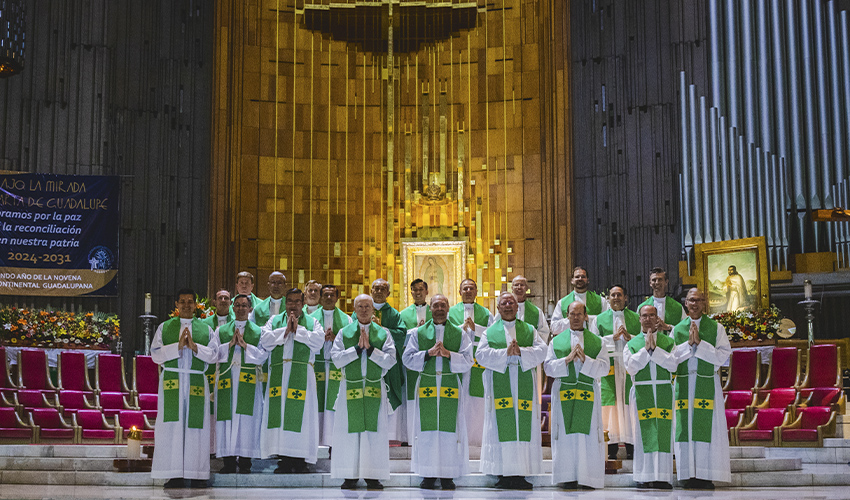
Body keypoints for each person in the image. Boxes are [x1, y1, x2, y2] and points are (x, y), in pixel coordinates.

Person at [402, 294, 473, 490]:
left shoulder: (460, 334)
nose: (439, 309)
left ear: (448, 308)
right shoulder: (418, 333)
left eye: (443, 305)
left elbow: (469, 361)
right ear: (430, 309)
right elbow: (407, 359)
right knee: (428, 432)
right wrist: (428, 353)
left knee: (450, 432)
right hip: (428, 385)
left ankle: (448, 474)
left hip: (450, 385)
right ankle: (428, 474)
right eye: (436, 305)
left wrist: (449, 354)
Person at [476, 292, 547, 490]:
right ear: (498, 309)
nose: (508, 306)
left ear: (517, 307)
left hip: (523, 381)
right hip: (500, 381)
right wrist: (504, 353)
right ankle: (502, 473)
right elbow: (480, 355)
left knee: (523, 426)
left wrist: (521, 352)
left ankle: (521, 473)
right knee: (500, 426)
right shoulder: (489, 332)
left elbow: (543, 350)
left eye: (511, 302)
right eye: (504, 303)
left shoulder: (529, 329)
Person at [150, 289, 220, 488]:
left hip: (196, 381)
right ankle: (174, 475)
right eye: (183, 302)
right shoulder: (165, 327)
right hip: (172, 380)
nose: (186, 305)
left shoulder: (206, 329)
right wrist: (178, 347)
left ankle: (196, 473)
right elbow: (155, 354)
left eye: (190, 302)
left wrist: (195, 347)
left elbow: (214, 355)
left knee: (196, 428)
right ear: (176, 304)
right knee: (171, 428)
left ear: (196, 305)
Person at [330, 294, 398, 490]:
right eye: (360, 306)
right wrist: (357, 350)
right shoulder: (344, 332)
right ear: (355, 308)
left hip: (374, 388)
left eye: (368, 306)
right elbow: (336, 359)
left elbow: (391, 360)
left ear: (373, 309)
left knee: (373, 433)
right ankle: (348, 475)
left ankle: (373, 476)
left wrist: (370, 351)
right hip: (349, 387)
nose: (364, 309)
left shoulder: (383, 333)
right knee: (348, 432)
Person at [543, 301, 609, 490]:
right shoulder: (556, 341)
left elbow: (605, 368)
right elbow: (547, 367)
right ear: (567, 316)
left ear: (586, 315)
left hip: (588, 392)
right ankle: (567, 476)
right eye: (572, 314)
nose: (576, 317)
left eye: (579, 314)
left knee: (586, 435)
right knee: (565, 435)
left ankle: (588, 478)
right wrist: (567, 359)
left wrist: (585, 360)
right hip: (564, 393)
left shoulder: (598, 342)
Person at [671, 288, 732, 489]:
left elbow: (724, 356)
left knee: (709, 429)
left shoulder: (716, 328)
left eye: (698, 300)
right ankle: (688, 474)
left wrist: (701, 344)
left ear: (704, 303)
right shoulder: (677, 329)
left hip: (707, 382)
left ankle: (706, 475)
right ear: (685, 303)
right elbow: (670, 361)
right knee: (684, 430)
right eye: (691, 300)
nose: (695, 304)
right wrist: (689, 345)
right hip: (684, 383)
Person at [259, 288, 324, 473]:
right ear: (285, 302)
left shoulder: (312, 322)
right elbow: (265, 340)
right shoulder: (274, 320)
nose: (293, 305)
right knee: (279, 417)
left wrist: (299, 331)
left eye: (297, 301)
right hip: (279, 375)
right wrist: (285, 330)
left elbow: (318, 341)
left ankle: (301, 460)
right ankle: (284, 459)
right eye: (290, 301)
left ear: (303, 303)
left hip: (302, 374)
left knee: (303, 417)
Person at [623, 304, 678, 490]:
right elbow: (630, 367)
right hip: (642, 392)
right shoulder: (631, 343)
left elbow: (674, 365)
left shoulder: (668, 342)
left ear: (657, 318)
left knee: (663, 434)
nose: (648, 319)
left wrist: (656, 350)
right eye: (644, 316)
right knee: (642, 434)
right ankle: (644, 476)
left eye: (652, 315)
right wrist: (646, 351)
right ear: (639, 319)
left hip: (663, 390)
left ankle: (662, 477)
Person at [214, 294, 265, 474]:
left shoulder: (259, 331)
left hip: (249, 380)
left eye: (245, 305)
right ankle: (227, 462)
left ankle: (245, 462)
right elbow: (213, 354)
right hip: (227, 379)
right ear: (232, 308)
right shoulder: (221, 331)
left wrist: (245, 346)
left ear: (250, 309)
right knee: (226, 419)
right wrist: (228, 345)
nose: (241, 308)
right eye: (237, 305)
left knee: (247, 420)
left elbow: (264, 355)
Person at [356, 279, 407, 443]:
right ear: (370, 291)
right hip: (363, 363)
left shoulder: (394, 314)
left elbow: (401, 334)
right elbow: (350, 331)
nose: (378, 291)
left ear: (388, 293)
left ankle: (390, 437)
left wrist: (381, 328)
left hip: (385, 365)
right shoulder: (359, 309)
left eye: (382, 289)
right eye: (375, 288)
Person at [594, 285, 639, 460]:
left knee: (629, 407)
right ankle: (610, 446)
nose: (616, 298)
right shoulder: (598, 319)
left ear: (626, 298)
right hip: (610, 367)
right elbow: (593, 340)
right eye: (613, 295)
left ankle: (631, 446)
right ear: (608, 298)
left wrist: (631, 338)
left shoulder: (635, 318)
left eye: (619, 295)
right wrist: (611, 338)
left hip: (628, 366)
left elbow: (644, 338)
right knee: (610, 407)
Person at [448, 278, 494, 447]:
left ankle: (477, 439)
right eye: (464, 288)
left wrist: (477, 329)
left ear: (476, 291)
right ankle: (458, 438)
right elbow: (446, 332)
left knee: (476, 402)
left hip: (477, 360)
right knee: (459, 398)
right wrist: (462, 327)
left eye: (471, 288)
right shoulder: (449, 311)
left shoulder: (486, 313)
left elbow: (494, 334)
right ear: (459, 292)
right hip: (457, 357)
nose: (468, 291)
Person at [310, 284, 352, 448]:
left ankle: (334, 445)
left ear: (337, 297)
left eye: (331, 295)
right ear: (320, 297)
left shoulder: (347, 319)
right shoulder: (312, 319)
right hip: (317, 367)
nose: (328, 298)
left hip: (336, 367)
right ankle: (316, 442)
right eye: (325, 295)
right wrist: (321, 340)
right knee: (317, 404)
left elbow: (351, 343)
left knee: (333, 406)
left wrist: (336, 339)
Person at [399, 278, 432, 442]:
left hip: (432, 362)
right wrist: (417, 330)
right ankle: (411, 437)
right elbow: (399, 337)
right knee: (411, 399)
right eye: (415, 290)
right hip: (412, 363)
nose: (418, 293)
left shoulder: (436, 311)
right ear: (410, 292)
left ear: (427, 291)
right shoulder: (403, 314)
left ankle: (429, 435)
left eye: (421, 289)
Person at [202, 289, 233, 452]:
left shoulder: (238, 322)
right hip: (209, 371)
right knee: (210, 410)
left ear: (231, 302)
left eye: (226, 298)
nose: (223, 300)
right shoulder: (204, 324)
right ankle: (212, 448)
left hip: (229, 372)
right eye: (219, 297)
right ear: (214, 301)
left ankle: (228, 447)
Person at [551, 266, 609, 334]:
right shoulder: (562, 303)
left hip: (593, 342)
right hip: (570, 341)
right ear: (572, 281)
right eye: (577, 277)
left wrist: (589, 318)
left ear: (588, 280)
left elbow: (608, 322)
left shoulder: (601, 301)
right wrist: (572, 320)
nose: (580, 279)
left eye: (583, 277)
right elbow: (554, 327)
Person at [635, 267, 686, 333]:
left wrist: (668, 327)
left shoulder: (678, 307)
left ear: (666, 282)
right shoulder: (642, 307)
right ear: (650, 283)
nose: (657, 282)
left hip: (670, 342)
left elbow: (685, 330)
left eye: (660, 279)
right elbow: (638, 331)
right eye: (654, 280)